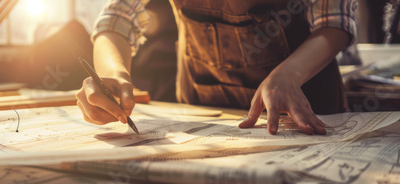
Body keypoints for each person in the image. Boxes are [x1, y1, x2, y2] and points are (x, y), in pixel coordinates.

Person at [76, 0, 358, 135]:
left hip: (304, 117)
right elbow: (117, 17)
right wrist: (113, 75)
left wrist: (290, 73)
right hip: (204, 118)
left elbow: (335, 23)